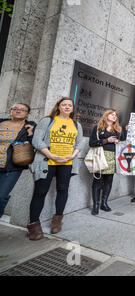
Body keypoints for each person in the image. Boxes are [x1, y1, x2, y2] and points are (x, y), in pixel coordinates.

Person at [27, 97, 83, 240]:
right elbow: (37, 140)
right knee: (40, 191)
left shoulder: (76, 125)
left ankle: (57, 220)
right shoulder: (48, 121)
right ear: (58, 107)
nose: (67, 107)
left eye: (69, 105)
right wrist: (52, 155)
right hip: (47, 160)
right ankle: (33, 224)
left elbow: (79, 144)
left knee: (63, 190)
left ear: (72, 108)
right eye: (64, 105)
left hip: (66, 162)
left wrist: (71, 156)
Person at [0, 104, 36, 218]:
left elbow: (34, 144)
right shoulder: (1, 122)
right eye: (15, 109)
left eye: (22, 110)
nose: (18, 111)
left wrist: (30, 133)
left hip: (12, 167)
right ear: (10, 111)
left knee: (1, 196)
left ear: (27, 113)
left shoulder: (30, 126)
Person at [89, 109, 126, 215]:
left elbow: (124, 143)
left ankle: (104, 203)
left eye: (116, 115)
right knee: (97, 181)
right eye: (112, 114)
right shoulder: (98, 128)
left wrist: (119, 141)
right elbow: (91, 143)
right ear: (106, 115)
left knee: (109, 181)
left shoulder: (119, 129)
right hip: (101, 156)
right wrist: (106, 140)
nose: (115, 116)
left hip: (113, 157)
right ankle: (96, 205)